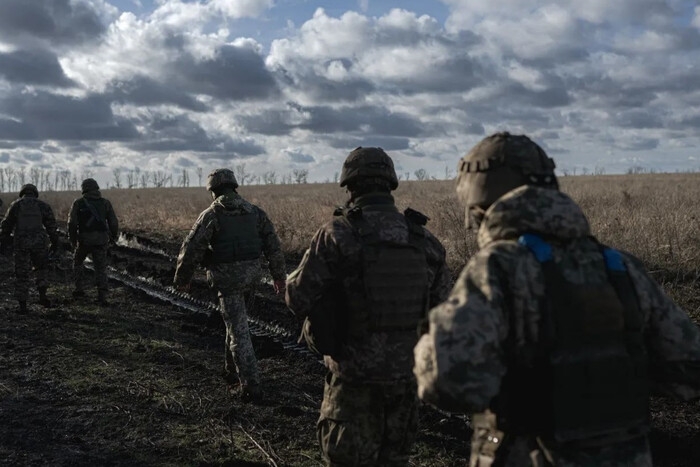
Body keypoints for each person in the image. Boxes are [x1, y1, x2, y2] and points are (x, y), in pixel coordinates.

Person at [413, 132, 700, 466]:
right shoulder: (620, 266)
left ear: (479, 200)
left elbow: (448, 379)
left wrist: (426, 344)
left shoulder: (498, 267)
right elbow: (688, 367)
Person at [286, 147, 451, 467]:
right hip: (405, 384)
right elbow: (443, 314)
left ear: (350, 187)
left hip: (352, 385)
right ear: (390, 184)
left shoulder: (337, 234)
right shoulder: (424, 241)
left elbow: (297, 299)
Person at [173, 168, 286, 402]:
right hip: (252, 278)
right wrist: (279, 276)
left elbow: (191, 249)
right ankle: (230, 371)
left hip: (227, 281)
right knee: (235, 322)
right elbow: (273, 246)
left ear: (213, 191)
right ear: (234, 187)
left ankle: (250, 386)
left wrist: (182, 279)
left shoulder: (211, 215)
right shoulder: (255, 213)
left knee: (239, 332)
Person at [0, 184, 58, 313]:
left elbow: (6, 225)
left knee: (21, 273)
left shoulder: (16, 205)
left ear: (22, 192)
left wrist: (3, 241)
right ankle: (42, 296)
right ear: (35, 192)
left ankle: (23, 305)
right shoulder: (42, 205)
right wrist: (55, 242)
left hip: (21, 243)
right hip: (40, 243)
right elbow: (51, 226)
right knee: (41, 269)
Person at [68, 178, 119, 305]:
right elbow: (113, 222)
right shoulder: (105, 203)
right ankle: (102, 296)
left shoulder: (78, 203)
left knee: (78, 262)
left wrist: (73, 240)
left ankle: (79, 289)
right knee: (101, 268)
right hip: (101, 241)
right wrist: (114, 236)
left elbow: (72, 223)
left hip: (84, 240)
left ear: (84, 189)